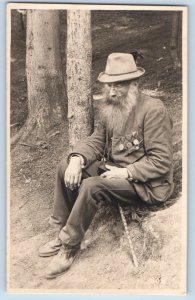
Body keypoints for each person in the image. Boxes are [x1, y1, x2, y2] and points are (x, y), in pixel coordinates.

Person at [39, 53, 174, 279]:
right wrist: (77, 158)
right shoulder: (110, 106)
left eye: (119, 85)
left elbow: (161, 160)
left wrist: (126, 172)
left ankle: (69, 248)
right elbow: (97, 140)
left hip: (146, 184)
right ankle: (62, 231)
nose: (112, 91)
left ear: (134, 84)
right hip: (113, 170)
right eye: (109, 85)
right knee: (65, 166)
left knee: (93, 185)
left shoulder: (153, 110)